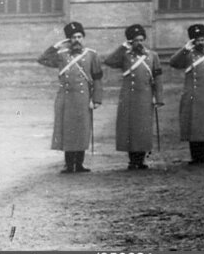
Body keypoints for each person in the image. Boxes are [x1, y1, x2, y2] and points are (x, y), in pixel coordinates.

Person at [38, 22, 103, 174]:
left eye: (80, 36)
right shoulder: (61, 55)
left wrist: (97, 99)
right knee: (67, 131)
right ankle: (68, 164)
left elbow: (97, 78)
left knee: (81, 130)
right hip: (65, 99)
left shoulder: (91, 55)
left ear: (83, 38)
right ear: (69, 39)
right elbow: (42, 59)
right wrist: (56, 45)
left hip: (83, 98)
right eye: (73, 37)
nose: (77, 40)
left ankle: (79, 164)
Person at [104, 24, 162, 171]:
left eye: (142, 39)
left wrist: (158, 98)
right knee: (130, 128)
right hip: (129, 97)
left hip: (145, 96)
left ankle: (141, 160)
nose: (140, 43)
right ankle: (132, 161)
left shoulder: (152, 56)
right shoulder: (125, 55)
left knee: (143, 128)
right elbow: (109, 61)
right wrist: (123, 46)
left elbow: (157, 78)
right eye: (136, 40)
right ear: (131, 41)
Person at [168, 23, 204, 164]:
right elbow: (173, 63)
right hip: (192, 95)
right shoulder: (187, 54)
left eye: (202, 40)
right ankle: (195, 156)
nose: (200, 43)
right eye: (197, 40)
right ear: (192, 41)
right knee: (193, 126)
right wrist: (185, 49)